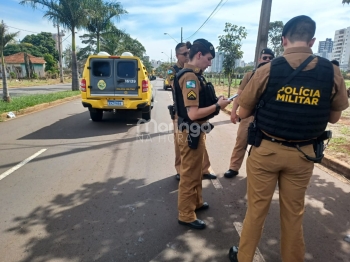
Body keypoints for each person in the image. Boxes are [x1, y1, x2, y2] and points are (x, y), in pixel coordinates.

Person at [229, 15, 349, 262]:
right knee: (294, 215)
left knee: (256, 212)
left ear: (284, 40)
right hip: (303, 155)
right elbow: (335, 118)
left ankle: (244, 257)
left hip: (266, 152)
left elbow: (243, 112)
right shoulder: (332, 71)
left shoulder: (267, 69)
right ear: (312, 40)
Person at [174, 39, 231, 230]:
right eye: (208, 59)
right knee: (189, 175)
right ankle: (186, 214)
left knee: (197, 171)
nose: (209, 63)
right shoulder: (189, 78)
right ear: (198, 55)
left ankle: (196, 202)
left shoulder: (195, 76)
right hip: (191, 132)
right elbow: (193, 113)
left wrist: (217, 101)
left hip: (196, 132)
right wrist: (218, 106)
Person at [167, 43, 217, 181]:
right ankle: (180, 169)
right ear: (177, 55)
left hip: (195, 110)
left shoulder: (194, 71)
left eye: (189, 52)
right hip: (181, 111)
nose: (187, 55)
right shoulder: (174, 71)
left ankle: (204, 169)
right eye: (184, 54)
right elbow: (173, 85)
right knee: (181, 143)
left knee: (200, 141)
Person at [224, 48, 275, 178]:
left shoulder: (276, 76)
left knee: (262, 146)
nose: (267, 60)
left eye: (270, 58)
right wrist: (234, 111)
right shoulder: (250, 75)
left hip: (266, 118)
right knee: (241, 142)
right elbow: (239, 95)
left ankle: (256, 172)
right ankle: (233, 168)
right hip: (248, 115)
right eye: (265, 58)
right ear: (259, 59)